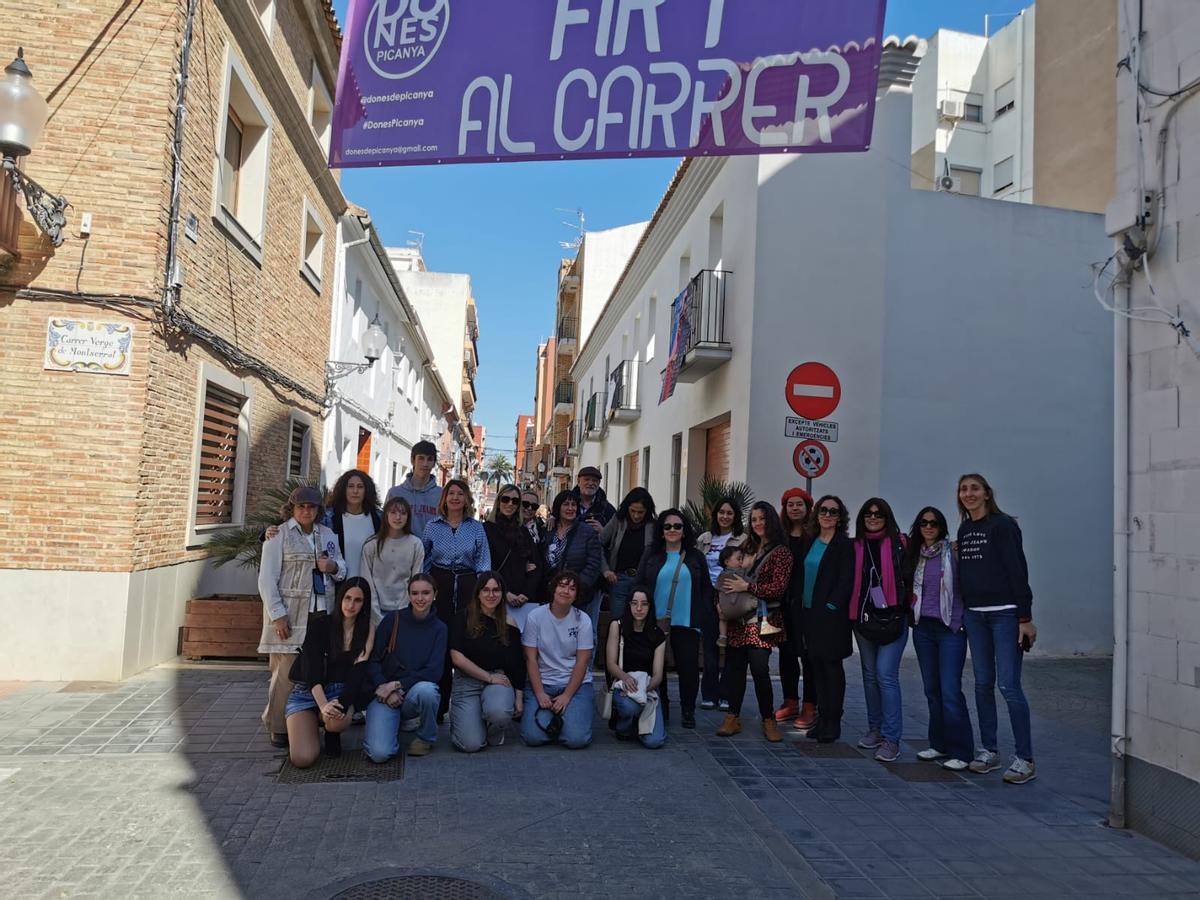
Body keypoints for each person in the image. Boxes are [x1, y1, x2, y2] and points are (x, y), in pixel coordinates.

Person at [957, 473, 1037, 784]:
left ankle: (1025, 758)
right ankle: (989, 750)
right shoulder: (965, 529)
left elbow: (1018, 570)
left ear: (987, 494)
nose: (969, 494)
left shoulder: (1003, 525)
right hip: (974, 617)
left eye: (974, 488)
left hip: (1005, 615)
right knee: (981, 684)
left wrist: (1025, 617)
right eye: (964, 489)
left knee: (1009, 686)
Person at [257, 485, 346, 749]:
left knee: (318, 667)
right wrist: (277, 614)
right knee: (285, 671)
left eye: (311, 507)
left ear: (319, 510)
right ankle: (278, 727)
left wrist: (332, 567)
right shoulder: (278, 536)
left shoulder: (328, 535)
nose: (306, 511)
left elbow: (342, 568)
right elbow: (266, 579)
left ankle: (312, 720)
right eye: (301, 506)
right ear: (292, 509)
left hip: (322, 612)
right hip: (290, 614)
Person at [715, 501, 792, 743]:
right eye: (755, 519)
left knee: (760, 670)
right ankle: (732, 717)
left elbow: (778, 589)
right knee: (735, 669)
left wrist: (748, 586)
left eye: (763, 519)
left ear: (771, 520)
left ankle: (768, 719)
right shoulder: (747, 547)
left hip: (764, 619)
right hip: (740, 619)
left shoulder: (782, 552)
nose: (758, 523)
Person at [903, 507, 973, 771]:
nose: (929, 527)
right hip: (923, 629)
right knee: (932, 690)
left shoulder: (952, 553)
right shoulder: (915, 555)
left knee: (950, 690)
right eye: (923, 522)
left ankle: (962, 751)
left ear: (941, 526)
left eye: (933, 523)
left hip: (950, 629)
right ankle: (939, 743)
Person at [635, 509, 716, 730]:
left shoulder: (695, 556)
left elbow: (706, 588)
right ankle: (662, 708)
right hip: (656, 621)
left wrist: (704, 613)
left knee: (688, 668)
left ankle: (688, 710)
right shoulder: (651, 555)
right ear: (661, 531)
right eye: (667, 526)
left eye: (677, 526)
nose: (672, 530)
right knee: (656, 667)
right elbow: (640, 584)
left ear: (684, 530)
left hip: (688, 621)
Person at [284, 577, 374, 766]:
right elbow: (312, 669)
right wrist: (323, 705)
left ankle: (331, 731)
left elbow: (359, 671)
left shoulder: (367, 628)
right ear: (340, 598)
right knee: (302, 759)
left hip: (340, 692)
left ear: (365, 603)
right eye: (347, 598)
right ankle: (312, 724)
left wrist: (341, 703)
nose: (351, 605)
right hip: (309, 692)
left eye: (358, 600)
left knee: (337, 722)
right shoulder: (320, 625)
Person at [422, 479, 492, 718]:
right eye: (450, 493)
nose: (454, 498)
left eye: (459, 494)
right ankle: (439, 707)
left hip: (467, 584)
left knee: (466, 639)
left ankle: (468, 706)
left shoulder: (476, 527)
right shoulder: (432, 526)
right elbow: (425, 559)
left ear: (466, 499)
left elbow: (483, 561)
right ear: (444, 499)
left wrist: (482, 594)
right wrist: (426, 589)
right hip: (439, 584)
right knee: (440, 643)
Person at [850, 498, 910, 763]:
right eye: (868, 514)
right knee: (870, 675)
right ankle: (875, 729)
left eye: (879, 514)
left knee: (886, 675)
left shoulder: (902, 543)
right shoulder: (855, 546)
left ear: (888, 517)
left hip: (894, 617)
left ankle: (891, 739)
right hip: (863, 618)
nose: (873, 518)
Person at [363, 574, 446, 761]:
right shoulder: (393, 620)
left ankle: (425, 737)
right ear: (408, 595)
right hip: (384, 693)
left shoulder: (440, 629)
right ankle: (389, 726)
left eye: (426, 593)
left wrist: (396, 685)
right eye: (415, 593)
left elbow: (434, 671)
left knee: (429, 692)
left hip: (412, 693)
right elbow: (373, 660)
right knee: (379, 754)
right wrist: (385, 688)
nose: (420, 598)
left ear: (435, 595)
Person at [796, 496, 854, 743]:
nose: (828, 514)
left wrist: (831, 606)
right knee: (815, 666)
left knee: (831, 667)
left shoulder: (843, 545)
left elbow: (846, 580)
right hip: (808, 614)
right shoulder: (810, 541)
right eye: (823, 510)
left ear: (840, 517)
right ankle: (822, 717)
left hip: (831, 616)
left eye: (833, 511)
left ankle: (833, 721)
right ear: (817, 514)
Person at [449, 572, 525, 752]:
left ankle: (494, 728)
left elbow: (516, 663)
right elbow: (457, 658)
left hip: (498, 679)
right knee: (471, 744)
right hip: (467, 681)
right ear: (478, 593)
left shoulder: (509, 623)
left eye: (496, 590)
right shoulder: (462, 618)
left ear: (502, 593)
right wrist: (488, 677)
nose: (491, 595)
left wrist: (519, 698)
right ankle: (466, 724)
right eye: (486, 590)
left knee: (498, 712)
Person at [520, 571, 595, 749]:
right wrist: (539, 693)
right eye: (562, 586)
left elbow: (582, 662)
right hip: (543, 682)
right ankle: (557, 720)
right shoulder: (535, 617)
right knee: (533, 738)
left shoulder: (583, 620)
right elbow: (530, 658)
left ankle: (567, 717)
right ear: (553, 589)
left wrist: (567, 696)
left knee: (576, 740)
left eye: (572, 588)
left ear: (576, 595)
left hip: (575, 685)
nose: (566, 591)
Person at [696, 497, 747, 710]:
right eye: (721, 512)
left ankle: (727, 693)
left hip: (732, 593)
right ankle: (709, 693)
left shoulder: (743, 539)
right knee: (710, 645)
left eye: (729, 513)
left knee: (732, 646)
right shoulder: (704, 538)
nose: (725, 516)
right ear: (715, 514)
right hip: (708, 594)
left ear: (735, 517)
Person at [605, 586, 667, 748]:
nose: (639, 608)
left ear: (650, 607)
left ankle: (639, 723)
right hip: (623, 683)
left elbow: (658, 675)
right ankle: (623, 727)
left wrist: (642, 690)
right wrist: (625, 678)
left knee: (655, 742)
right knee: (628, 707)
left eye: (644, 604)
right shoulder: (617, 626)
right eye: (634, 603)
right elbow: (611, 663)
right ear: (628, 605)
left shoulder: (658, 634)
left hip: (648, 687)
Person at [777, 488, 817, 730]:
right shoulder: (780, 536)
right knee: (786, 655)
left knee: (809, 656)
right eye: (790, 504)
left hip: (807, 606)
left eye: (799, 504)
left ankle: (811, 705)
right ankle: (790, 701)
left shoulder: (814, 536)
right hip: (783, 605)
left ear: (807, 508)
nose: (794, 508)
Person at [541, 489, 604, 637]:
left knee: (581, 635)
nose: (570, 508)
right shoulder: (548, 530)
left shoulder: (587, 532)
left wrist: (575, 587)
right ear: (558, 507)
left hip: (579, 596)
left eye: (574, 504)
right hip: (551, 595)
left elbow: (593, 564)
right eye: (566, 504)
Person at [484, 484, 540, 632]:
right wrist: (504, 592)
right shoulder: (485, 529)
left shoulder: (523, 531)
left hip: (521, 598)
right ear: (498, 501)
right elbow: (485, 565)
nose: (510, 504)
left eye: (515, 501)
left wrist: (525, 594)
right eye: (506, 499)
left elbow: (536, 565)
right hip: (494, 595)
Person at [361, 495, 425, 623]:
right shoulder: (372, 545)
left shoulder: (416, 544)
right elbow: (367, 580)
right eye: (393, 512)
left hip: (405, 610)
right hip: (375, 611)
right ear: (385, 515)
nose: (398, 517)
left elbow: (416, 578)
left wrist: (404, 609)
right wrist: (376, 613)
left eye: (402, 513)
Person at [600, 487, 657, 621]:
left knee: (641, 621)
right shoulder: (617, 521)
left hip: (644, 581)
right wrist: (605, 570)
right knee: (618, 621)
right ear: (627, 508)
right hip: (619, 579)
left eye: (640, 512)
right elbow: (597, 544)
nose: (636, 515)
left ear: (647, 511)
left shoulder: (653, 526)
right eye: (633, 511)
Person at [323, 469, 382, 580]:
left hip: (370, 587)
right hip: (339, 586)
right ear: (343, 490)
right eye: (350, 486)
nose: (355, 491)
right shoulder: (329, 517)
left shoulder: (378, 518)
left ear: (367, 490)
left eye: (360, 487)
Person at [385, 440, 442, 539]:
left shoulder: (441, 495)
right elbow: (385, 526)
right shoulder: (394, 493)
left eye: (429, 459)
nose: (425, 464)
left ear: (434, 463)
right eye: (421, 458)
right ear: (412, 460)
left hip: (431, 553)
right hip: (401, 552)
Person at [571, 465, 615, 533]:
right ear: (578, 481)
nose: (591, 483)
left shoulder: (607, 509)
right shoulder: (567, 504)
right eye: (587, 479)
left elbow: (616, 536)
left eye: (594, 480)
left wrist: (603, 531)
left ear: (599, 483)